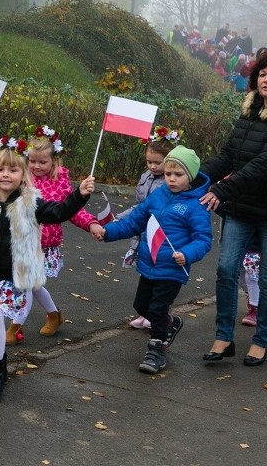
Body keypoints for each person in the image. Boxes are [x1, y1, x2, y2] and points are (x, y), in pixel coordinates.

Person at [0, 137, 95, 401]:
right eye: (0, 170)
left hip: (14, 276)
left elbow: (59, 212)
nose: (5, 175)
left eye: (12, 170)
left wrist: (80, 194)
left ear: (23, 174)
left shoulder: (30, 202)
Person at [200, 50, 267, 366]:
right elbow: (229, 156)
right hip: (242, 206)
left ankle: (261, 341)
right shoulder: (249, 113)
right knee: (225, 269)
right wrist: (192, 175)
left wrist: (223, 188)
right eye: (263, 73)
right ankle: (223, 337)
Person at [99, 146, 212, 374]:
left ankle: (156, 350)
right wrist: (108, 232)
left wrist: (187, 254)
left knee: (158, 309)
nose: (171, 179)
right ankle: (170, 324)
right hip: (149, 263)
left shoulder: (196, 205)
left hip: (172, 267)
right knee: (141, 306)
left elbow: (203, 239)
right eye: (168, 174)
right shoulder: (158, 196)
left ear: (189, 176)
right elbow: (135, 221)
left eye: (178, 175)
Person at [2, 127, 103, 343]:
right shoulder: (21, 178)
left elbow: (72, 210)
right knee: (34, 285)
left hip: (44, 246)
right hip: (20, 242)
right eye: (33, 161)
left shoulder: (60, 183)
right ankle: (54, 314)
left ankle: (14, 327)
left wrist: (91, 223)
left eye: (43, 162)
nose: (37, 166)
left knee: (26, 284)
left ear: (54, 161)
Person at [122, 126, 180, 329]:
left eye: (158, 162)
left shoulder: (172, 181)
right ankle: (143, 312)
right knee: (145, 272)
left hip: (160, 234)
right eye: (149, 162)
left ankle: (158, 314)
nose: (153, 166)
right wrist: (120, 219)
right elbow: (139, 205)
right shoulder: (146, 177)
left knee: (160, 276)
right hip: (143, 231)